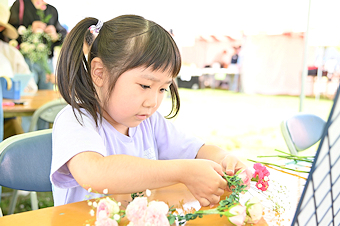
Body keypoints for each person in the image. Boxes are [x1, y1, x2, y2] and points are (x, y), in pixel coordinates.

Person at [51, 15, 248, 207]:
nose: (153, 102)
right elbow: (94, 173)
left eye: (162, 89)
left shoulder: (149, 122)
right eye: (145, 86)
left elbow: (197, 151)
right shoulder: (76, 120)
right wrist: (182, 171)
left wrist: (224, 160)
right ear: (100, 73)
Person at [8, 0, 67, 90]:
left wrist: (55, 35)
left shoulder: (51, 10)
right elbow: (8, 32)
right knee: (28, 93)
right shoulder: (20, 4)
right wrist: (30, 29)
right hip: (26, 60)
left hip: (46, 62)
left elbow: (62, 35)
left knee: (46, 98)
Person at [0, 3, 37, 138]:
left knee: (15, 131)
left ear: (1, 27)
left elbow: (30, 85)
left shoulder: (11, 54)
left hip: (6, 120)